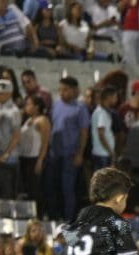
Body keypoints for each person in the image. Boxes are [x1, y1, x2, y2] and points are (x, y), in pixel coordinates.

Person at [47, 77, 90, 221]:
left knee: (68, 189)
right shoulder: (56, 105)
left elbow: (84, 132)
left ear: (73, 90)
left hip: (70, 154)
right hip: (54, 153)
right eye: (60, 89)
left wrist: (79, 153)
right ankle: (54, 217)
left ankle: (68, 219)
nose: (61, 93)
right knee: (53, 187)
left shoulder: (80, 108)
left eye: (65, 90)